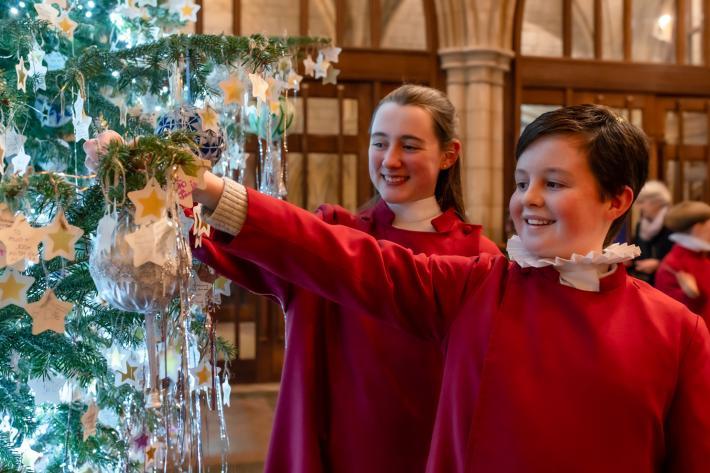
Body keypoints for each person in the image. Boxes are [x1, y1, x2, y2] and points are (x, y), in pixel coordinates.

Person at [193, 104, 710, 472]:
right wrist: (214, 193)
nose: (528, 199)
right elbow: (342, 257)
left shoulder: (678, 332)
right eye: (520, 180)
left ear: (617, 200)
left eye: (552, 184)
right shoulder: (477, 287)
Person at [192, 85, 501, 473]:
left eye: (409, 146)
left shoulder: (480, 259)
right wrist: (173, 199)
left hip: (426, 449)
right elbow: (259, 249)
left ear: (448, 154)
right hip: (333, 446)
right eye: (379, 143)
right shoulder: (336, 231)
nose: (390, 160)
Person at [655, 200, 710, 326]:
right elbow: (671, 315)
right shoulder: (673, 265)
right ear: (698, 228)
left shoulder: (702, 258)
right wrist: (692, 297)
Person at [629, 180, 673, 284]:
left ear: (657, 202)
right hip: (645, 280)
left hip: (665, 282)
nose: (639, 207)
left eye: (642, 202)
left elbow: (682, 259)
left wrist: (659, 264)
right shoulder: (641, 224)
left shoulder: (673, 224)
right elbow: (638, 249)